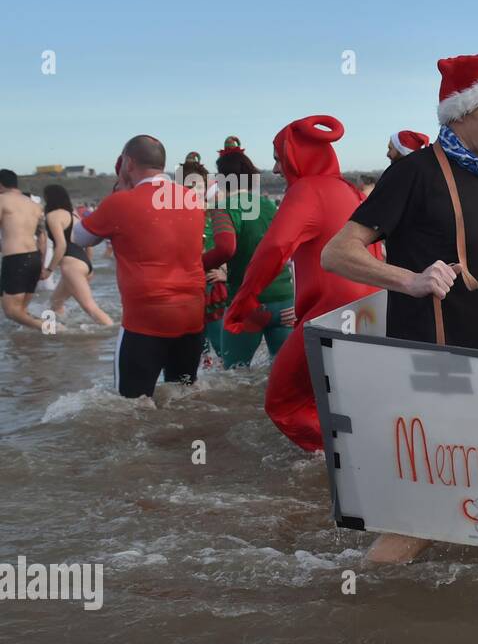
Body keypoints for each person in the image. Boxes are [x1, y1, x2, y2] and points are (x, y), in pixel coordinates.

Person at [321, 47, 478, 564]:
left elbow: (474, 250)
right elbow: (337, 253)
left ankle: (395, 593)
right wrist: (408, 280)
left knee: (454, 488)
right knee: (436, 503)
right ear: (462, 112)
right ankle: (359, 593)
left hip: (468, 354)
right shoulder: (414, 172)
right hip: (427, 360)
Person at [222, 116, 381, 448]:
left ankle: (345, 464)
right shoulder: (349, 190)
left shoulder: (307, 191)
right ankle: (360, 461)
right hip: (369, 310)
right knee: (338, 400)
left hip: (329, 313)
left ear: (298, 158)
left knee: (283, 404)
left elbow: (275, 249)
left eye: (280, 159)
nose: (278, 170)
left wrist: (242, 302)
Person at [73, 137, 206, 397]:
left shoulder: (121, 202)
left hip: (146, 319)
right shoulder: (191, 199)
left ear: (128, 162)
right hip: (192, 314)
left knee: (129, 407)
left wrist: (120, 189)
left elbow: (78, 237)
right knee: (183, 398)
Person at [209, 144, 296, 367]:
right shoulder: (269, 205)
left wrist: (194, 267)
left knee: (233, 376)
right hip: (285, 300)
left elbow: (225, 249)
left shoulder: (225, 207)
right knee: (282, 372)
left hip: (248, 303)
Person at [43, 184, 113, 326]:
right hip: (84, 262)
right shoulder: (74, 215)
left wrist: (49, 270)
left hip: (71, 266)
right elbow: (87, 243)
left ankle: (113, 332)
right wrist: (88, 266)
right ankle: (58, 332)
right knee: (56, 303)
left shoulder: (53, 216)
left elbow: (61, 245)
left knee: (89, 307)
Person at [0, 169, 47, 329]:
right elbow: (42, 237)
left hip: (15, 259)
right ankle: (27, 345)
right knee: (21, 310)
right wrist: (41, 264)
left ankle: (53, 329)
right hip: (34, 258)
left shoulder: (2, 200)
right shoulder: (35, 205)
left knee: (11, 311)